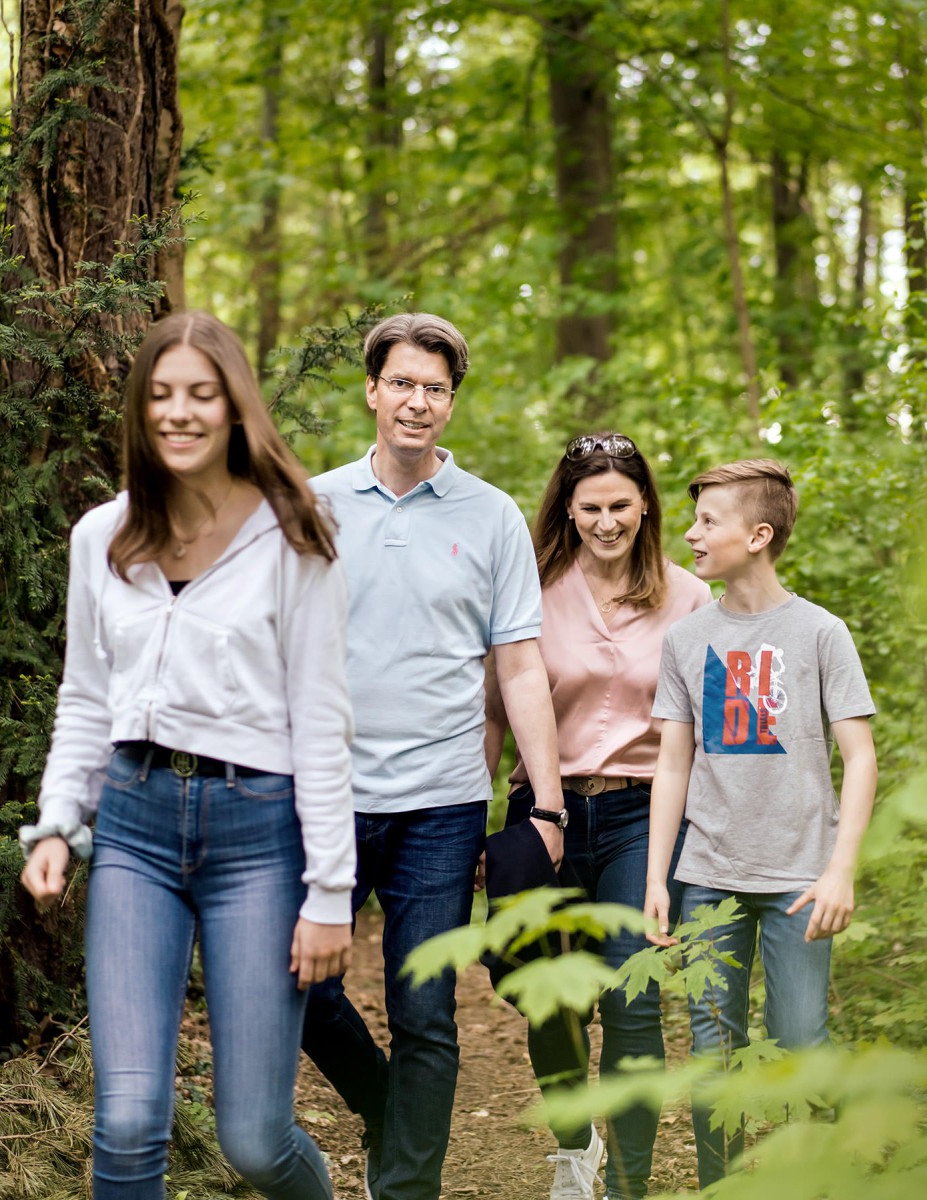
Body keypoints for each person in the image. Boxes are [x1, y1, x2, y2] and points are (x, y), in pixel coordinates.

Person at [19, 311, 355, 1200]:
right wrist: (58, 823)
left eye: (201, 395)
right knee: (128, 1122)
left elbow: (322, 721)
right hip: (134, 828)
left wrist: (329, 892)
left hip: (261, 838)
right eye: (161, 395)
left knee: (254, 1140)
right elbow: (85, 694)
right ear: (138, 410)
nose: (179, 413)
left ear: (235, 407)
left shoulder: (295, 534)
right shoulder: (103, 535)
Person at [303, 312, 569, 1200]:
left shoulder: (492, 517)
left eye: (437, 388)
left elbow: (521, 667)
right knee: (296, 984)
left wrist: (548, 801)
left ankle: (406, 1185)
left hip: (444, 805)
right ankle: (392, 1113)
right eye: (404, 384)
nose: (419, 402)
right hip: (328, 797)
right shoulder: (316, 503)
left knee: (426, 1015)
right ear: (373, 390)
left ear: (452, 402)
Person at [482, 431, 712, 1200]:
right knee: (547, 999)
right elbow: (494, 710)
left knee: (632, 998)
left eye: (621, 505)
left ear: (645, 504)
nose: (607, 521)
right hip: (543, 809)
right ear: (568, 509)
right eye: (591, 508)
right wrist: (468, 820)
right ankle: (575, 1144)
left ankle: (631, 1186)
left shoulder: (689, 596)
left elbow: (708, 727)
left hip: (645, 814)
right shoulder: (532, 587)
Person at [642, 458, 878, 1187]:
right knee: (715, 1048)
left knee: (801, 1039)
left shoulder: (819, 633)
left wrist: (840, 868)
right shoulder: (686, 640)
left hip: (800, 878)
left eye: (708, 521)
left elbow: (861, 758)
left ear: (759, 534)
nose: (690, 534)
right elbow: (673, 765)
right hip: (709, 873)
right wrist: (657, 875)